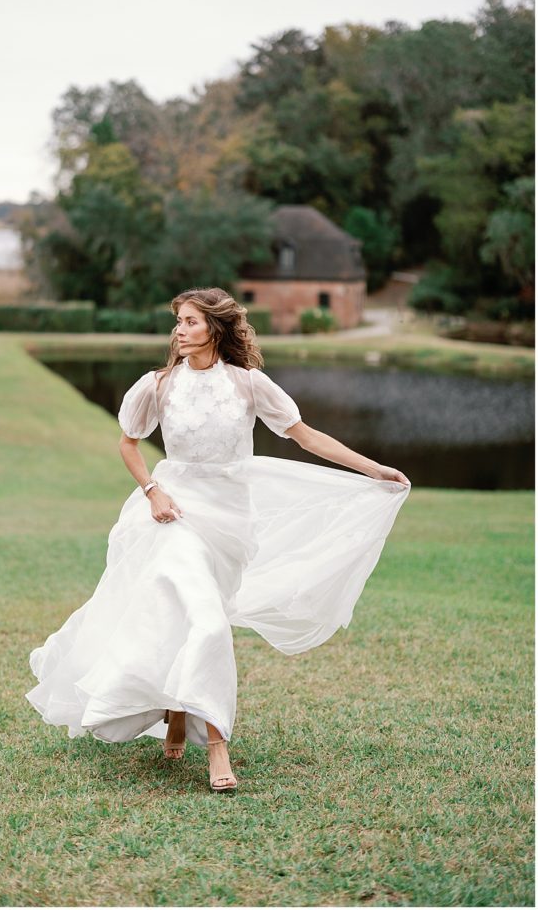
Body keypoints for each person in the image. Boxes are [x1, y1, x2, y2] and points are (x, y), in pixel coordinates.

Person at [26, 287, 411, 794]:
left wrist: (373, 468)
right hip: (172, 512)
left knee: (195, 614)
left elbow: (306, 436)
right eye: (178, 322)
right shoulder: (158, 385)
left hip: (228, 521)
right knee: (205, 620)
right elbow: (128, 443)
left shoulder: (248, 385)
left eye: (189, 321)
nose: (179, 330)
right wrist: (152, 491)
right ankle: (217, 743)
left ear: (215, 327)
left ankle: (177, 709)